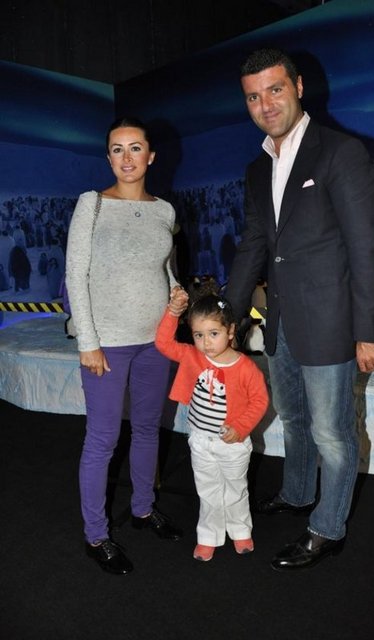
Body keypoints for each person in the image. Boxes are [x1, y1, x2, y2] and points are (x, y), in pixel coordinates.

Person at [224, 49, 374, 570]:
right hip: (281, 322)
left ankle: (328, 527)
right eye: (254, 96)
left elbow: (363, 249)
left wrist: (370, 331)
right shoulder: (257, 168)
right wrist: (229, 313)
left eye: (275, 90)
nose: (266, 104)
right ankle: (297, 493)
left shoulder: (340, 152)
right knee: (293, 417)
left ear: (297, 87)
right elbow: (254, 243)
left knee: (332, 433)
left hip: (331, 322)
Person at [66, 116, 187, 575]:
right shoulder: (92, 204)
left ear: (150, 156)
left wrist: (175, 294)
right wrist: (88, 342)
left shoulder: (165, 211)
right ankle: (96, 536)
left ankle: (142, 508)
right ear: (108, 158)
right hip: (108, 345)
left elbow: (165, 268)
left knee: (148, 429)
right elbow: (76, 275)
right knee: (102, 439)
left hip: (155, 342)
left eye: (135, 148)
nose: (127, 157)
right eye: (117, 149)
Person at [155, 292, 269, 562]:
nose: (206, 342)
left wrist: (241, 427)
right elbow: (163, 343)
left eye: (213, 333)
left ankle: (240, 530)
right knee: (207, 491)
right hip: (200, 441)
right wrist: (173, 313)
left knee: (235, 489)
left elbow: (260, 400)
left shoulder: (246, 368)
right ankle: (208, 536)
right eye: (198, 335)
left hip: (234, 444)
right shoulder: (192, 356)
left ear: (230, 331)